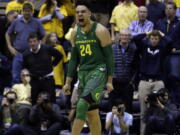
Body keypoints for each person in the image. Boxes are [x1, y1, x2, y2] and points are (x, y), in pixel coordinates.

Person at [62, 1, 114, 135]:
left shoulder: (100, 30)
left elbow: (109, 57)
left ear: (90, 14)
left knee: (81, 105)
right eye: (77, 12)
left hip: (98, 72)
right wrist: (68, 82)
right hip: (83, 73)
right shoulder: (74, 33)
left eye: (83, 12)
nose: (79, 14)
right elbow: (73, 59)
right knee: (92, 112)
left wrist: (109, 80)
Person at [6, 2, 45, 84]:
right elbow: (7, 34)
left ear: (32, 12)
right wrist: (10, 47)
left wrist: (40, 47)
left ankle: (30, 95)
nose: (27, 13)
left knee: (32, 77)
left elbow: (44, 35)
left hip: (32, 54)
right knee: (15, 77)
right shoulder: (16, 22)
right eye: (25, 11)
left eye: (29, 11)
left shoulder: (37, 22)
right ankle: (15, 95)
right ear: (22, 11)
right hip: (18, 53)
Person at [23, 33, 62, 104]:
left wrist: (53, 64)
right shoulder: (26, 54)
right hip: (35, 81)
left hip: (48, 79)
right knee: (34, 102)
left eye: (34, 41)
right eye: (30, 42)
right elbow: (25, 66)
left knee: (51, 102)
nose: (33, 43)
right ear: (28, 43)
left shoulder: (47, 48)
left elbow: (59, 55)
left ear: (39, 41)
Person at [109, 29, 138, 113]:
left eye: (126, 35)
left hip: (127, 83)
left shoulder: (133, 49)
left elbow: (135, 68)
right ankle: (111, 126)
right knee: (112, 107)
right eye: (123, 35)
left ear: (129, 37)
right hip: (114, 83)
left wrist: (132, 82)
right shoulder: (112, 48)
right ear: (119, 36)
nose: (124, 37)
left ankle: (127, 126)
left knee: (128, 108)